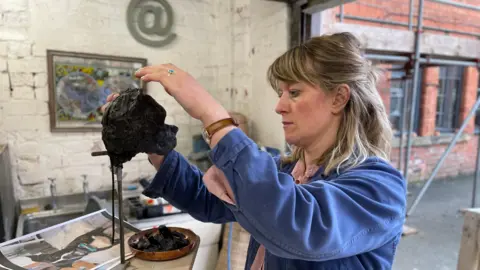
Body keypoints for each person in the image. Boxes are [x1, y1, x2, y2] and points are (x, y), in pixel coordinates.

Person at [101, 32, 407, 269]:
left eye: (295, 92)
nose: (279, 106)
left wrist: (214, 117)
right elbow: (206, 198)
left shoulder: (379, 189)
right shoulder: (285, 172)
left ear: (339, 98)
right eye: (280, 93)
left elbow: (297, 225)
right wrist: (152, 142)